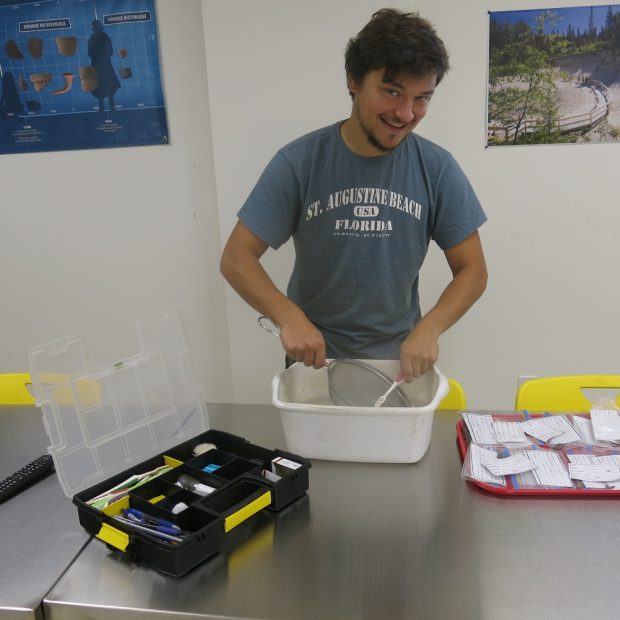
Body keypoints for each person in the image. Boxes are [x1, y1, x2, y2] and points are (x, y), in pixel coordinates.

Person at [220, 8, 487, 381]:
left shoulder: (436, 167)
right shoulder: (300, 162)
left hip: (398, 367)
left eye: (422, 98)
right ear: (353, 80)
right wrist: (289, 317)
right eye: (392, 91)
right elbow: (236, 258)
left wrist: (430, 328)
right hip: (314, 363)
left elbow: (473, 270)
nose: (406, 113)